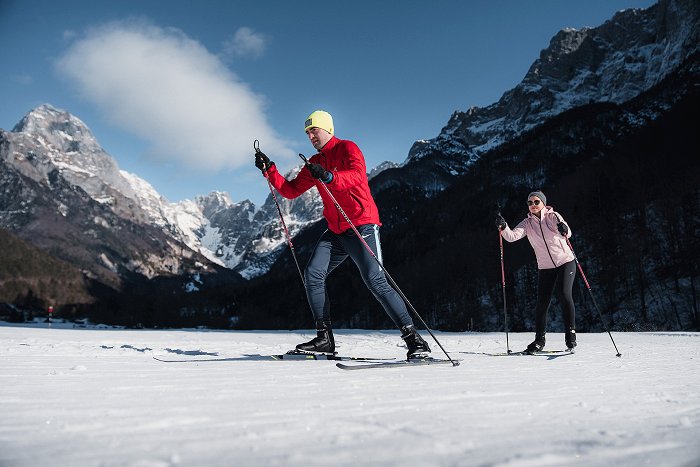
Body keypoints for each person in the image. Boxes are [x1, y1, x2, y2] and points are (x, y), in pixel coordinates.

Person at [254, 110, 430, 359]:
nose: (310, 136)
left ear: (328, 129)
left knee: (374, 280)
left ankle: (414, 339)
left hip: (362, 224)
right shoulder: (313, 162)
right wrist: (269, 169)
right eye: (307, 132)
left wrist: (328, 176)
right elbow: (291, 191)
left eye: (314, 130)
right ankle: (324, 338)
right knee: (313, 273)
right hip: (336, 230)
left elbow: (358, 176)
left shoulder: (348, 148)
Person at [496, 191, 577, 351]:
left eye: (536, 202)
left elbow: (568, 233)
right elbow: (511, 237)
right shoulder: (527, 223)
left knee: (564, 293)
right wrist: (504, 227)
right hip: (545, 266)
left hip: (565, 261)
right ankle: (539, 341)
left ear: (543, 203)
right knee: (541, 303)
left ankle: (571, 337)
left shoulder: (553, 217)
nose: (532, 205)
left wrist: (564, 229)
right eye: (530, 203)